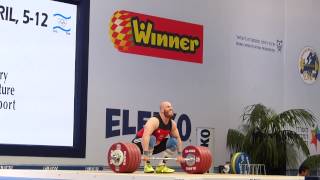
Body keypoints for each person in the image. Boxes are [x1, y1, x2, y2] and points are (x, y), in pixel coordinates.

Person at [132, 101, 184, 173]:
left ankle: (161, 166)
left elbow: (178, 138)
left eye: (171, 107)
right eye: (168, 107)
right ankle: (147, 165)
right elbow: (146, 136)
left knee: (174, 142)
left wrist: (180, 155)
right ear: (162, 110)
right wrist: (145, 154)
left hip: (154, 145)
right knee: (152, 138)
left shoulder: (172, 124)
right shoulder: (154, 120)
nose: (171, 108)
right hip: (139, 144)